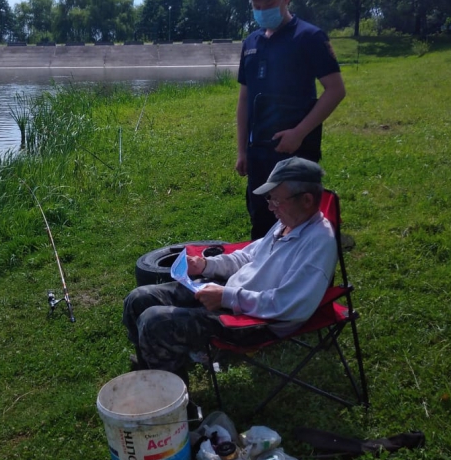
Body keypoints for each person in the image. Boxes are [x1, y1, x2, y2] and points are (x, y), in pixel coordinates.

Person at [122, 157, 338, 387]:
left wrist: (225, 296)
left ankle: (175, 403)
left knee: (155, 321)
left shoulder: (317, 244)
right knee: (138, 300)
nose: (270, 206)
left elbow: (286, 306)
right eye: (270, 198)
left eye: (276, 200)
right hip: (231, 294)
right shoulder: (289, 221)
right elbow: (247, 255)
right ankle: (153, 367)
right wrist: (206, 266)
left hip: (256, 322)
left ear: (306, 200)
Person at [236, 0, 346, 239]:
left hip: (295, 152)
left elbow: (335, 90)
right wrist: (242, 151)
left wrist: (299, 133)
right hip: (259, 152)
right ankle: (261, 276)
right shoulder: (251, 42)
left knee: (297, 220)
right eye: (256, 5)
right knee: (262, 219)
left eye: (268, 4)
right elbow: (244, 99)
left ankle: (302, 274)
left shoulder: (309, 37)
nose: (261, 10)